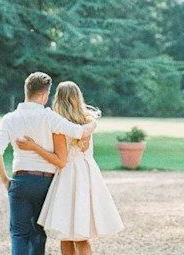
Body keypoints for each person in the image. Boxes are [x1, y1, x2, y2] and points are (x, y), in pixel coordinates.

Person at [0, 72, 97, 255]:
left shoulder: (9, 118)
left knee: (19, 234)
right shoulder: (50, 118)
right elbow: (79, 132)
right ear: (43, 95)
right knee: (38, 234)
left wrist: (4, 180)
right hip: (45, 183)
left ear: (27, 91)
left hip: (20, 181)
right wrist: (93, 124)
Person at [15, 81, 123, 255]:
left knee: (66, 235)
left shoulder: (59, 126)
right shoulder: (88, 121)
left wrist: (34, 147)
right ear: (78, 98)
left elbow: (61, 160)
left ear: (58, 99)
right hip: (88, 175)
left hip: (68, 177)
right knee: (82, 236)